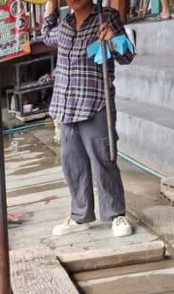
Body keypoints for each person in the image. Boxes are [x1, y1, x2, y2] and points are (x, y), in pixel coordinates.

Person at [43, 0, 135, 237]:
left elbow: (127, 56)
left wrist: (114, 39)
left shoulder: (107, 17)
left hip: (95, 103)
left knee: (104, 159)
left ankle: (116, 214)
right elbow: (46, 37)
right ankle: (80, 215)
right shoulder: (65, 24)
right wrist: (49, 11)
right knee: (72, 163)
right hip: (66, 105)